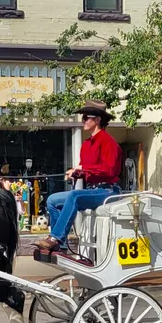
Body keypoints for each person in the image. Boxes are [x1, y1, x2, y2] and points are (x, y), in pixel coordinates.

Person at [34, 100, 122, 252]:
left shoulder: (109, 142)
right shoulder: (87, 144)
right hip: (92, 191)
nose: (83, 121)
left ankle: (56, 238)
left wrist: (82, 168)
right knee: (52, 200)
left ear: (98, 119)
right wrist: (75, 173)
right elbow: (86, 170)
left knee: (74, 196)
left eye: (86, 117)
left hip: (108, 192)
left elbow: (109, 171)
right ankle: (59, 246)